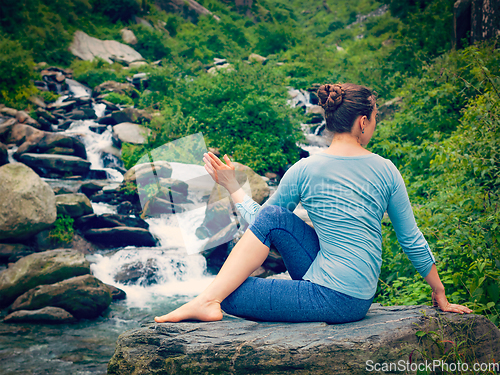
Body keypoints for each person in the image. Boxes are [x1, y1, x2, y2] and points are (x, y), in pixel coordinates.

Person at [154, 83, 472, 324]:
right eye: (375, 118)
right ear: (363, 122)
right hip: (351, 291)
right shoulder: (386, 169)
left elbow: (259, 223)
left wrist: (232, 187)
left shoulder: (304, 168)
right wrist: (439, 293)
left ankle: (207, 301)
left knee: (227, 292)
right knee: (273, 221)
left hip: (336, 299)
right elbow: (410, 238)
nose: (374, 124)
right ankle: (208, 301)